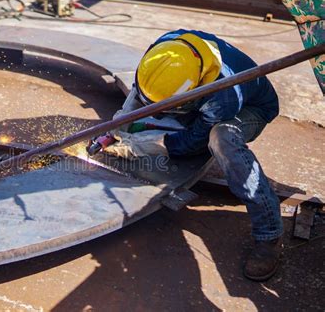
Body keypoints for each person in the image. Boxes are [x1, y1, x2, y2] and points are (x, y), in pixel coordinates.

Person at [104, 29, 283, 281]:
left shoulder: (225, 94)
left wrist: (153, 144)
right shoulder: (165, 50)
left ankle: (269, 233)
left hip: (252, 109)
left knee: (221, 139)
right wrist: (121, 120)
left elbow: (191, 142)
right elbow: (140, 92)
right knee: (159, 116)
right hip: (199, 99)